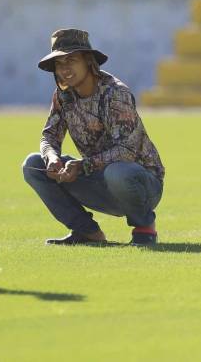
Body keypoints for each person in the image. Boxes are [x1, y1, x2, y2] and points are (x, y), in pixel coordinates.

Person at [22, 28, 164, 246]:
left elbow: (126, 151)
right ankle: (86, 231)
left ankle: (144, 227)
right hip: (99, 181)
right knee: (33, 165)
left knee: (117, 171)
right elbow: (49, 135)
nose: (64, 68)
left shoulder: (115, 93)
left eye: (71, 60)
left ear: (88, 61)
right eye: (59, 63)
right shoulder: (63, 95)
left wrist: (81, 166)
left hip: (140, 183)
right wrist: (51, 158)